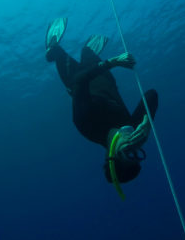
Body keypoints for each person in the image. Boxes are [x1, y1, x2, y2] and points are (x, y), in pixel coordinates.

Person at [45, 18, 158, 186]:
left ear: (110, 155)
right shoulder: (132, 127)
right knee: (86, 51)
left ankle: (52, 46)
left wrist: (112, 62)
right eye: (136, 154)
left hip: (77, 82)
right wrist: (147, 124)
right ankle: (88, 50)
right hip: (103, 78)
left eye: (127, 152)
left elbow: (79, 81)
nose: (132, 146)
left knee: (55, 53)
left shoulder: (87, 126)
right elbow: (151, 95)